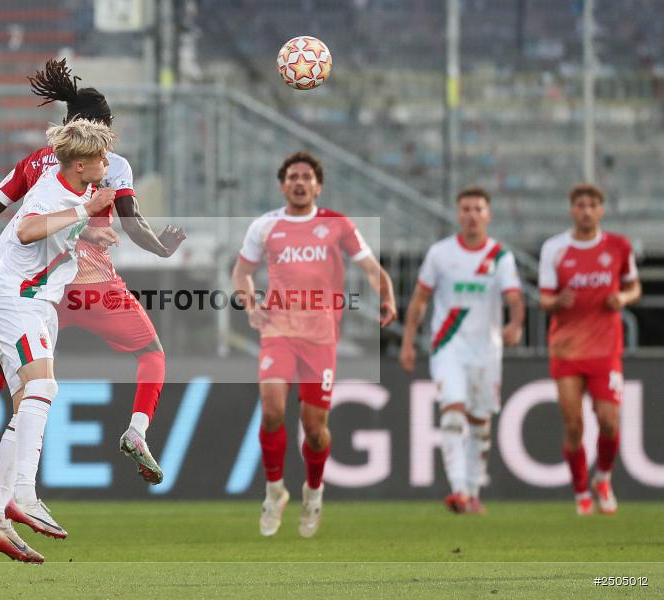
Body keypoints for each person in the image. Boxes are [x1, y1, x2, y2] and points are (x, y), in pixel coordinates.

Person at [0, 59, 185, 492]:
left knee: (1, 369)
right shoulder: (111, 164)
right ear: (98, 130)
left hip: (40, 291)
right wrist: (162, 247)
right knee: (152, 353)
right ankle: (137, 430)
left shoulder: (37, 162)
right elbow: (132, 223)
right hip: (94, 286)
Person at [231, 152, 396, 538]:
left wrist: (386, 295)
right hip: (278, 329)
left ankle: (314, 490)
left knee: (314, 427)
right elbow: (242, 272)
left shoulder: (335, 224)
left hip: (321, 334)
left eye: (306, 176)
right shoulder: (265, 226)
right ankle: (274, 492)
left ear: (318, 185)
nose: (300, 182)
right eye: (293, 176)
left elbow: (370, 268)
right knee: (272, 410)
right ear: (282, 184)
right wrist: (251, 304)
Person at [0, 119, 115, 563]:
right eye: (100, 157)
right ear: (79, 164)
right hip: (14, 300)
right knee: (44, 387)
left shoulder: (72, 191)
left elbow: (49, 232)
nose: (107, 163)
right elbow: (26, 230)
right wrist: (86, 214)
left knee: (25, 407)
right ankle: (24, 495)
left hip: (29, 301)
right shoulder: (60, 194)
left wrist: (88, 230)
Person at [400, 186, 524, 514]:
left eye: (478, 209)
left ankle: (471, 490)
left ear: (488, 215)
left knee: (481, 422)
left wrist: (516, 323)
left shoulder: (501, 257)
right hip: (448, 346)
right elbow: (420, 299)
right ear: (458, 214)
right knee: (453, 412)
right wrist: (408, 341)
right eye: (465, 209)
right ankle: (458, 490)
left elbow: (514, 297)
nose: (471, 215)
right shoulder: (440, 254)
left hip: (487, 350)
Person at [538, 183, 641, 516]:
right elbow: (543, 299)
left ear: (601, 210)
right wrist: (556, 302)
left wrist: (622, 298)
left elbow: (634, 286)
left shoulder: (618, 246)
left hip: (606, 348)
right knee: (573, 426)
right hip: (566, 349)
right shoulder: (554, 248)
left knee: (609, 421)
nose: (585, 210)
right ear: (571, 209)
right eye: (580, 204)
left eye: (592, 205)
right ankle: (581, 490)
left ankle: (603, 478)